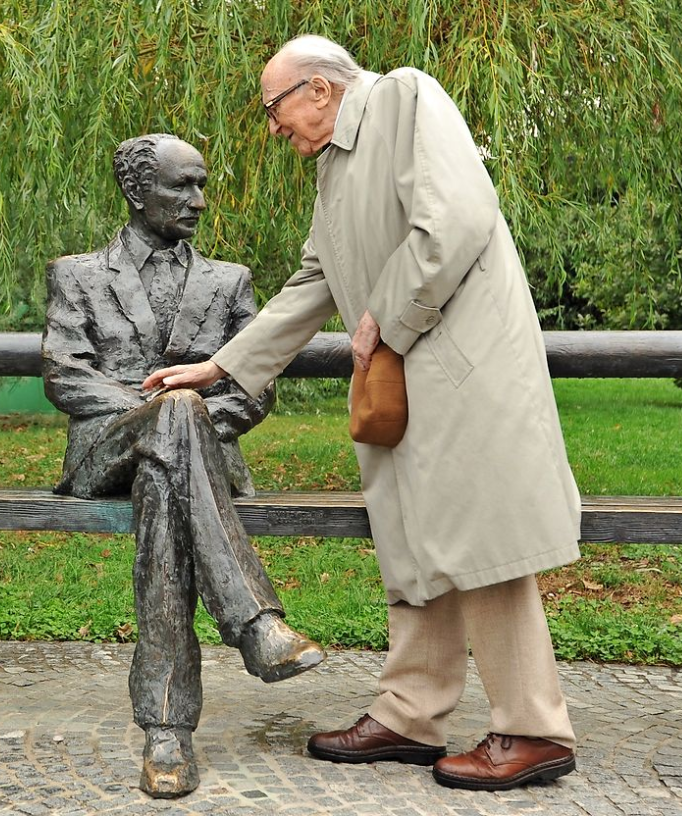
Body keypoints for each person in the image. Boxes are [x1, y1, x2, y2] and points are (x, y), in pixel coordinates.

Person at [142, 37, 583, 792]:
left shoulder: (405, 97)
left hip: (464, 371)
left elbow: (459, 218)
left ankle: (534, 728)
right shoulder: (334, 166)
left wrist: (384, 316)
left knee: (485, 544)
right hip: (404, 380)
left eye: (275, 107)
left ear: (318, 89)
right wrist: (225, 365)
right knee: (411, 538)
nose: (274, 127)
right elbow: (313, 280)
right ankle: (412, 714)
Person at [42, 133, 325, 799]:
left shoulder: (229, 282)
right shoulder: (77, 275)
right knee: (173, 418)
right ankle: (256, 624)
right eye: (183, 187)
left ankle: (167, 734)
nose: (199, 201)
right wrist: (163, 408)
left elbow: (254, 387)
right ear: (137, 192)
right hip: (105, 451)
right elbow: (64, 374)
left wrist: (187, 419)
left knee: (164, 484)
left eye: (202, 185)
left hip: (184, 468)